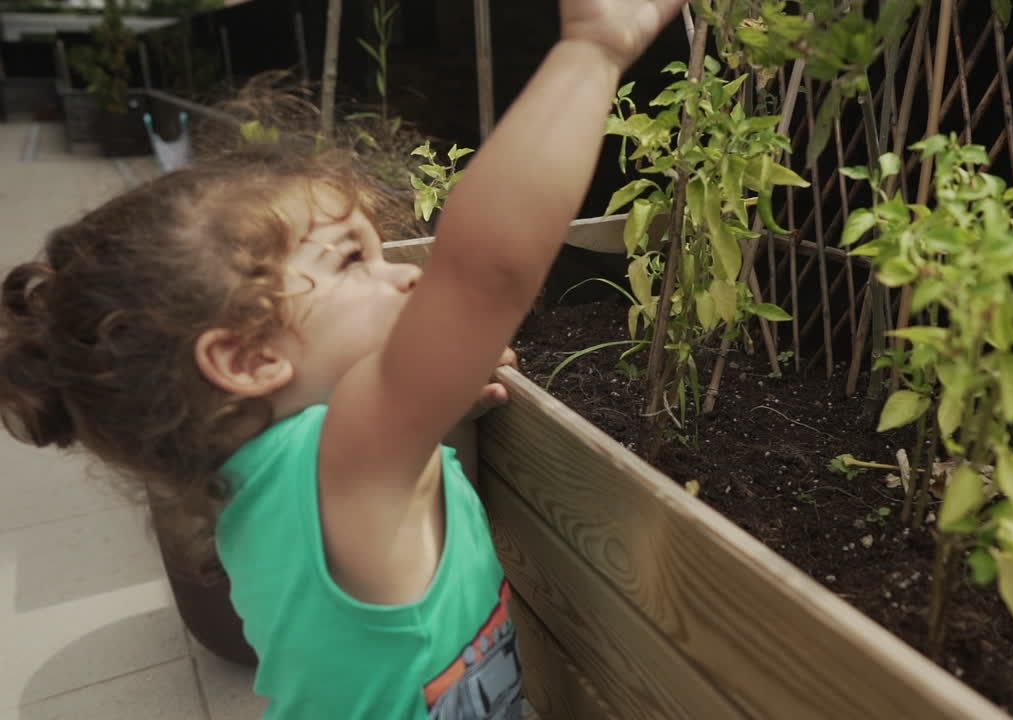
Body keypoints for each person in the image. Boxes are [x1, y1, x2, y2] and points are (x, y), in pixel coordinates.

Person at [0, 0, 688, 717]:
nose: (406, 275)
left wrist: (433, 400)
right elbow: (481, 274)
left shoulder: (270, 467)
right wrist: (593, 48)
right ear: (246, 357)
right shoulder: (347, 456)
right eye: (353, 259)